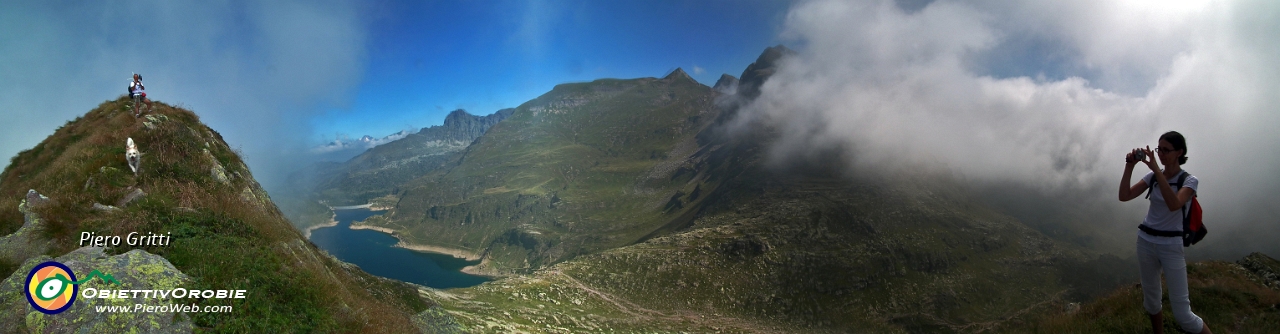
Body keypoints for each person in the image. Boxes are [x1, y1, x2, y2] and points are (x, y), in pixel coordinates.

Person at [1118, 131, 1212, 334]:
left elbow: (1174, 204)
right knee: (1151, 301)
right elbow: (1124, 196)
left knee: (1183, 315)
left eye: (1166, 150)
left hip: (1171, 245)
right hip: (1145, 241)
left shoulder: (1189, 181)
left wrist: (1156, 171)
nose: (1160, 154)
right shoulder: (1152, 176)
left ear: (1179, 152)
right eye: (1159, 149)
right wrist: (1129, 165)